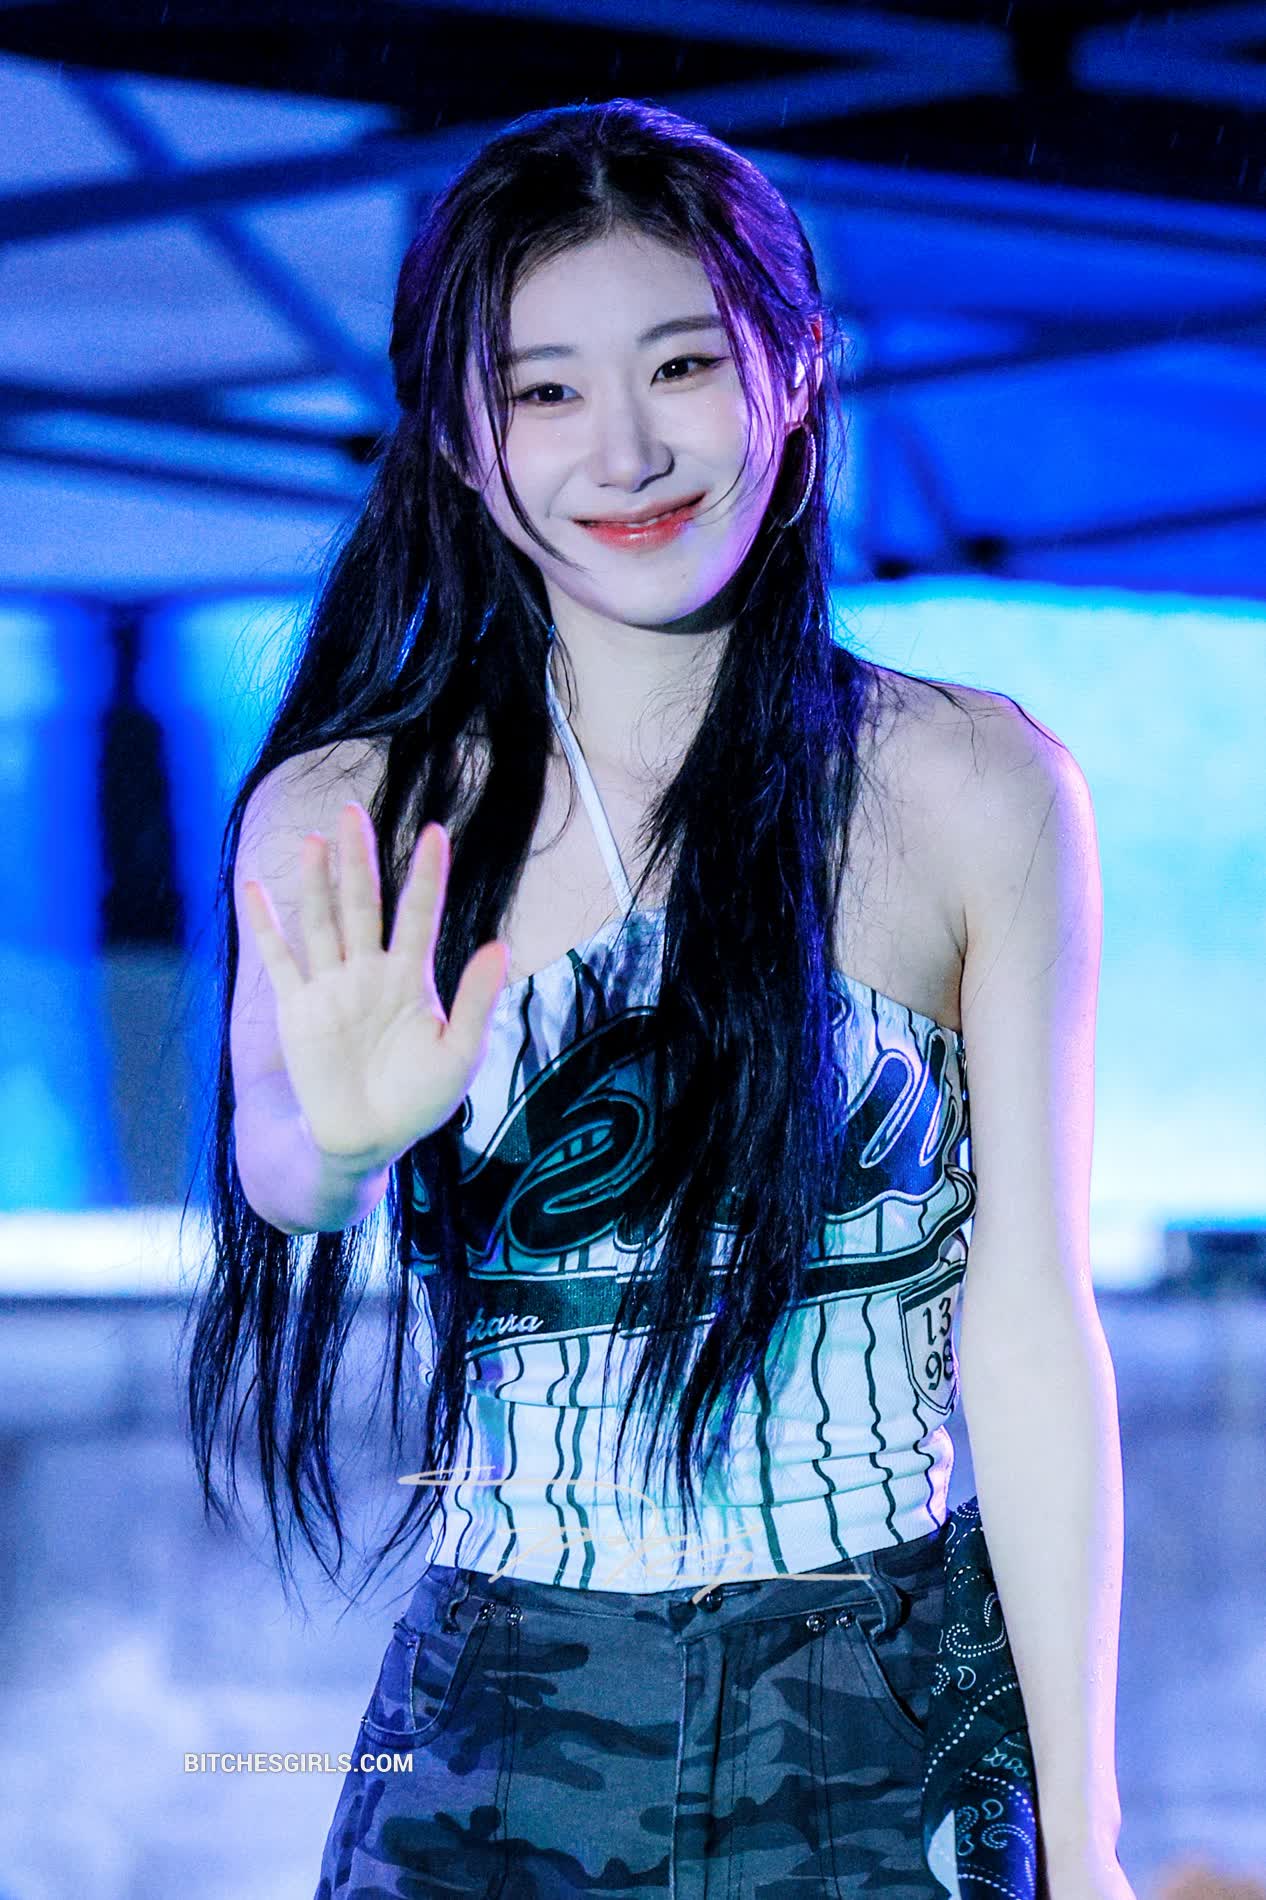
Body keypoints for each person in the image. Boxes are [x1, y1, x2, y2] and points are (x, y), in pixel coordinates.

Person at [186, 97, 1134, 1900]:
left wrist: (1083, 1837)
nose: (624, 450)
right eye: (542, 391)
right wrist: (346, 1144)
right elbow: (279, 1169)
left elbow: (1025, 1327)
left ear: (795, 369)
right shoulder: (350, 813)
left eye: (682, 364)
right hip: (504, 1712)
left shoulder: (972, 786)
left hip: (885, 1695)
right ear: (457, 441)